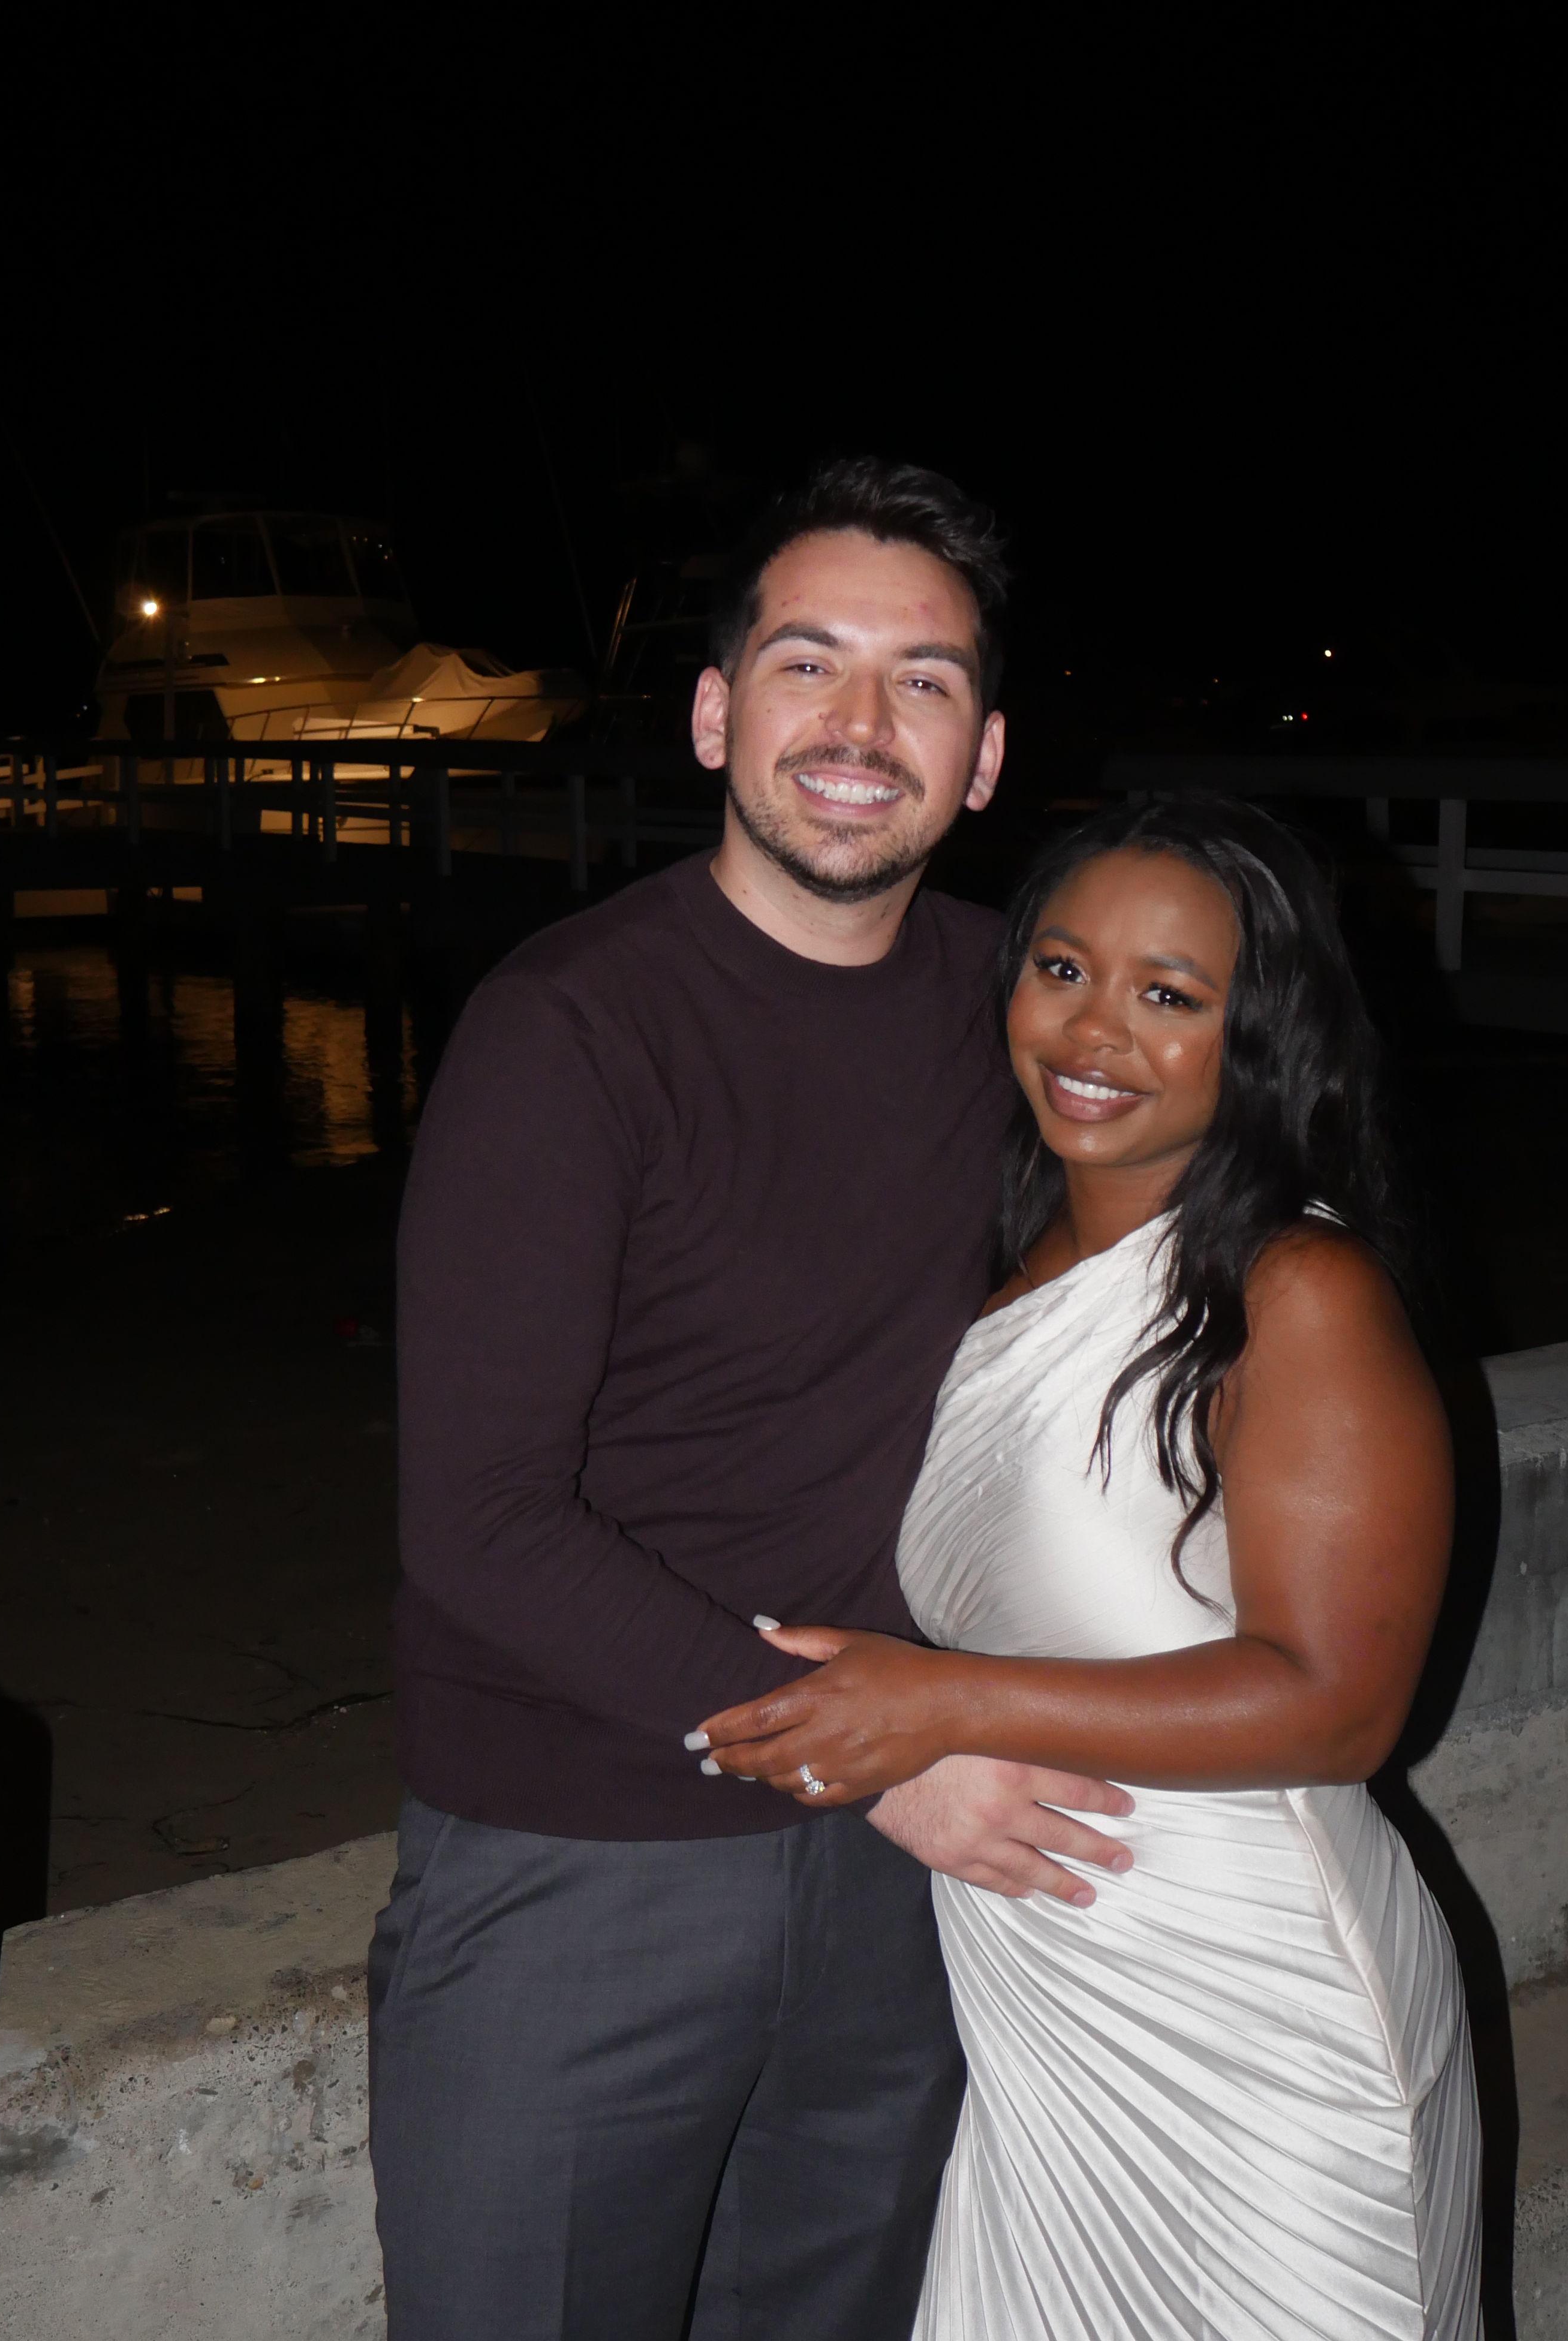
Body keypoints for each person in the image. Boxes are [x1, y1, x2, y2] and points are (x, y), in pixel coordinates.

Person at [368, 459, 1139, 2341]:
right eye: (811, 666)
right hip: (587, 1857)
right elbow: (479, 1519)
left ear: (985, 758)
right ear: (718, 714)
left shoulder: (1025, 1020)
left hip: (900, 1880)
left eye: (924, 682)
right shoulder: (574, 1029)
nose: (861, 727)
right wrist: (868, 1753)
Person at [695, 793, 1484, 2340]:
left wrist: (938, 1706)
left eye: (1168, 996)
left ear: (1258, 1034)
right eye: (1062, 968)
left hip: (1259, 2020)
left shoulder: (1297, 1290)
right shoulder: (1010, 1264)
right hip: (1047, 2002)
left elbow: (1339, 1706)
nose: (1094, 1031)